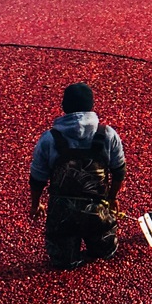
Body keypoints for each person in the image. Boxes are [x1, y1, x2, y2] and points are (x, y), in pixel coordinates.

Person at [29, 83, 127, 270]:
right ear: (91, 106)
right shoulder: (107, 134)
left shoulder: (50, 138)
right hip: (98, 210)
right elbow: (119, 170)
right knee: (105, 253)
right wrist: (112, 197)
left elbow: (37, 178)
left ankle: (68, 257)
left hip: (61, 214)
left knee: (62, 262)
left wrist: (36, 204)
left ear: (64, 106)